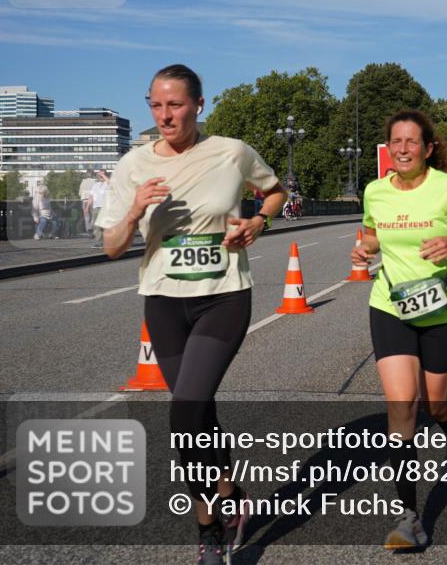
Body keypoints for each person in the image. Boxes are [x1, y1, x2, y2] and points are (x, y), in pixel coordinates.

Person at [98, 64, 286, 565]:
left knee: (184, 411)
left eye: (175, 104)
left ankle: (208, 529)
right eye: (155, 105)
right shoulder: (132, 165)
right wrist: (135, 211)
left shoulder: (231, 151)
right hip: (163, 301)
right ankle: (232, 494)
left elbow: (276, 190)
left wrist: (257, 224)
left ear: (199, 105)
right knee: (197, 411)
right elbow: (112, 246)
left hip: (224, 296)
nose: (165, 115)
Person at [351, 109, 447, 549]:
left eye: (412, 142)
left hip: (446, 312)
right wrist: (363, 249)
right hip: (391, 306)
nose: (403, 148)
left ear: (429, 148)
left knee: (436, 403)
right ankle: (409, 517)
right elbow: (373, 234)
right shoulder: (375, 191)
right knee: (402, 407)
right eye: (396, 141)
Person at [89, 169, 109, 247]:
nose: (100, 176)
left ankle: (107, 241)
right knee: (96, 226)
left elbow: (110, 183)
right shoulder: (95, 185)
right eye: (99, 175)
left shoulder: (107, 184)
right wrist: (87, 206)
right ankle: (99, 242)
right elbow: (91, 196)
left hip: (105, 208)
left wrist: (103, 175)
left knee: (105, 225)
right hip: (96, 207)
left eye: (102, 175)